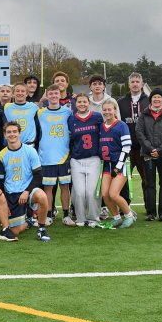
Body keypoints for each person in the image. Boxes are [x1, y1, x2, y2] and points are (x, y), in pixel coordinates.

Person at [0, 122, 50, 242]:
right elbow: (1, 181)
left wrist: (27, 191)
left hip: (28, 190)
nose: (12, 134)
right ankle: (30, 221)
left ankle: (42, 229)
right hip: (11, 193)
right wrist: (5, 200)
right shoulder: (1, 155)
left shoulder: (30, 151)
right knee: (15, 231)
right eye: (9, 132)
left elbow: (38, 175)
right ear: (5, 135)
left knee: (42, 196)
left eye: (15, 131)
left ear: (19, 133)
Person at [135, 88, 162, 222]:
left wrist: (160, 150)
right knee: (149, 184)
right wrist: (151, 149)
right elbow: (139, 133)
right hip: (148, 154)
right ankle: (151, 213)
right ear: (151, 100)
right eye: (154, 97)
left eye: (159, 97)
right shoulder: (144, 114)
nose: (156, 99)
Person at [36, 85, 74, 226]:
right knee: (48, 188)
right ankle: (48, 214)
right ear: (47, 95)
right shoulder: (40, 113)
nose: (53, 96)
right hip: (46, 156)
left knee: (65, 186)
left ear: (60, 95)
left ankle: (66, 215)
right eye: (50, 93)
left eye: (56, 93)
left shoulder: (67, 112)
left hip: (63, 155)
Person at [68, 93, 104, 227]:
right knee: (79, 192)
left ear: (89, 103)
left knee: (91, 192)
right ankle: (80, 218)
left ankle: (94, 217)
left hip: (93, 158)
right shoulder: (71, 119)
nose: (82, 104)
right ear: (75, 104)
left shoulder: (97, 117)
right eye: (79, 102)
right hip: (77, 159)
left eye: (84, 102)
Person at [99, 99, 135, 228]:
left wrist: (118, 165)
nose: (107, 112)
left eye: (110, 109)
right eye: (105, 109)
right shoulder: (101, 126)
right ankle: (116, 217)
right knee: (105, 194)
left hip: (120, 165)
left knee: (114, 194)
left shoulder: (121, 125)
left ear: (115, 111)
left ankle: (129, 215)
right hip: (107, 165)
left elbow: (126, 147)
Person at [117, 72, 149, 206]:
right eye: (132, 82)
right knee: (122, 179)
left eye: (137, 81)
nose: (135, 84)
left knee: (147, 179)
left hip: (144, 148)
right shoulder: (120, 102)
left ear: (142, 84)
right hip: (126, 149)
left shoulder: (149, 101)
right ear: (129, 84)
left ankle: (150, 208)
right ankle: (125, 206)